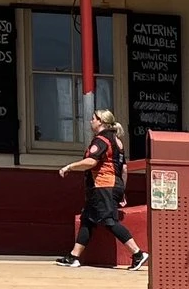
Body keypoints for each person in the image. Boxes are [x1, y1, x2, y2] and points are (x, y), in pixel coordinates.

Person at [56, 109, 148, 270]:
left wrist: (69, 166)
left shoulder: (101, 140)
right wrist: (121, 191)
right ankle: (74, 257)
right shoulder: (117, 141)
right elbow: (124, 169)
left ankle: (138, 253)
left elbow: (91, 162)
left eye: (93, 118)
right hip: (112, 185)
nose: (90, 121)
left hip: (103, 185)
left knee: (109, 221)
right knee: (88, 220)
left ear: (101, 121)